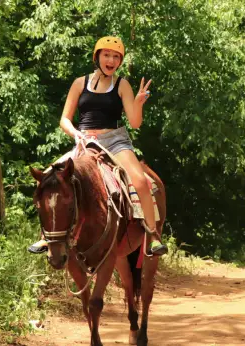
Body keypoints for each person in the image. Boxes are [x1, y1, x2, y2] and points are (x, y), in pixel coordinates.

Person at [28, 36, 168, 256]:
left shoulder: (122, 85)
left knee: (140, 180)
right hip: (84, 141)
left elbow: (135, 123)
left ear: (119, 61)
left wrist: (138, 103)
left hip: (115, 140)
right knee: (48, 177)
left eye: (116, 57)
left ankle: (153, 235)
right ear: (97, 56)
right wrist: (75, 133)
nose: (111, 60)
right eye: (107, 55)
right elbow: (64, 119)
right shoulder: (78, 83)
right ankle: (46, 237)